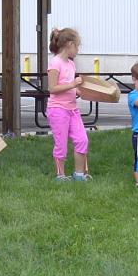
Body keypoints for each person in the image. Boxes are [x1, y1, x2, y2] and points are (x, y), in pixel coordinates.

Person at [47, 28, 89, 181]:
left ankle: (79, 174)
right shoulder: (55, 63)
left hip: (72, 109)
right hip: (58, 110)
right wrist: (72, 85)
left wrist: (77, 90)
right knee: (61, 144)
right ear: (70, 44)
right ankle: (60, 175)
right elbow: (52, 88)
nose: (78, 50)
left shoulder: (71, 64)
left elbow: (69, 86)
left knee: (82, 139)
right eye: (77, 46)